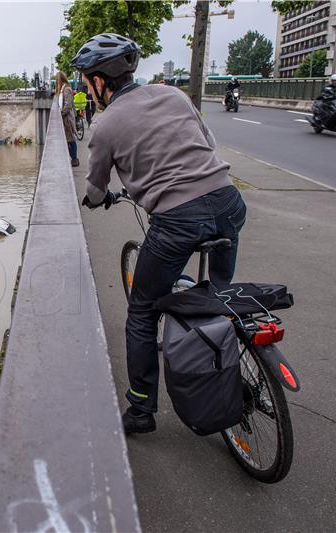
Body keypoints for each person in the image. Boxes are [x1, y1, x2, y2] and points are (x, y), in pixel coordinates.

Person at [73, 33, 247, 434]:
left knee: (142, 310)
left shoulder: (105, 124)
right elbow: (209, 144)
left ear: (101, 82)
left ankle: (141, 410)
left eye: (87, 80)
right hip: (228, 202)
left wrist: (97, 199)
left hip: (177, 222)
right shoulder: (174, 96)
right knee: (220, 297)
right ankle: (228, 358)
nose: (86, 87)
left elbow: (96, 188)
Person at [55, 71, 79, 167]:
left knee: (71, 139)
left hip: (67, 119)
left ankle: (74, 159)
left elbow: (68, 105)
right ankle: (73, 158)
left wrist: (61, 114)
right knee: (68, 139)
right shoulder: (64, 89)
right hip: (65, 118)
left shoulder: (66, 89)